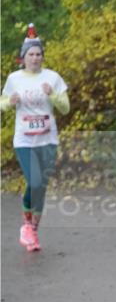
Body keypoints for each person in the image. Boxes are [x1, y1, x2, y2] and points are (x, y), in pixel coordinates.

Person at [1, 24, 70, 252]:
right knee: (36, 181)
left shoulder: (53, 77)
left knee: (41, 187)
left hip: (48, 139)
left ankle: (33, 231)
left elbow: (65, 108)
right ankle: (26, 226)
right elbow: (2, 104)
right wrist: (9, 103)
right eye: (31, 54)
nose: (35, 58)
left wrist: (54, 95)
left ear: (42, 56)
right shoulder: (14, 79)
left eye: (38, 54)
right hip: (24, 139)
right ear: (23, 57)